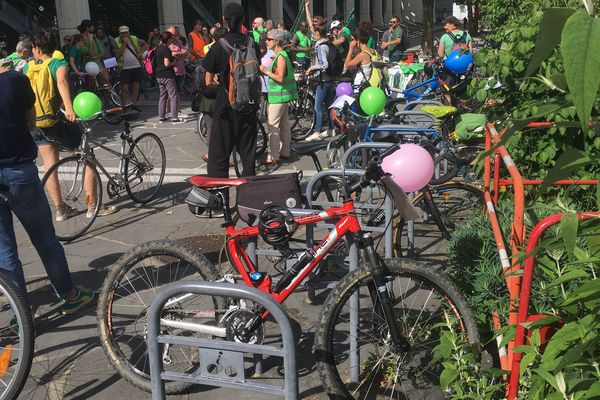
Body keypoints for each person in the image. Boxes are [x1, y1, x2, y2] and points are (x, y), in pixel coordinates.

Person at [0, 59, 95, 313]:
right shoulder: (14, 81)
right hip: (18, 169)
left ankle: (21, 314)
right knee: (44, 238)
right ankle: (69, 294)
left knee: (4, 249)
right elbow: (31, 121)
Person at [23, 34, 116, 223]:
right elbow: (62, 82)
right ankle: (93, 206)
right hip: (56, 120)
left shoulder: (28, 67)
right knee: (87, 156)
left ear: (37, 49)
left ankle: (61, 209)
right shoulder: (58, 63)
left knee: (50, 165)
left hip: (36, 122)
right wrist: (70, 109)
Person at [202, 2, 261, 178]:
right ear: (243, 20)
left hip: (225, 108)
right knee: (248, 158)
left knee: (218, 159)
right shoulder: (253, 44)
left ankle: (221, 200)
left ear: (224, 20)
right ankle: (247, 200)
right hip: (248, 107)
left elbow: (206, 80)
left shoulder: (219, 46)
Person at [260, 29, 298, 166]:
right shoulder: (282, 54)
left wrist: (266, 71)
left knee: (273, 127)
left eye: (269, 39)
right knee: (284, 125)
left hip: (278, 97)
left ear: (277, 42)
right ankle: (285, 152)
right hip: (283, 95)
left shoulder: (281, 56)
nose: (266, 41)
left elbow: (280, 78)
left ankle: (273, 156)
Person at [304, 23, 336, 141]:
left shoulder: (321, 46)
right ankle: (331, 129)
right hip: (330, 78)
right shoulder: (329, 44)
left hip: (323, 80)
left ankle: (317, 132)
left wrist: (311, 68)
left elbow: (324, 64)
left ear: (318, 34)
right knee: (328, 106)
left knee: (317, 107)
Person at [198, 26, 226, 163]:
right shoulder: (219, 51)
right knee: (219, 129)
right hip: (214, 97)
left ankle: (213, 155)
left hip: (210, 98)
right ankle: (217, 156)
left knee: (214, 129)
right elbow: (208, 81)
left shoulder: (212, 50)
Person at [114, 26, 144, 111]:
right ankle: (123, 106)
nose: (125, 34)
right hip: (124, 68)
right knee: (125, 88)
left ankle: (134, 104)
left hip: (136, 65)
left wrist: (140, 53)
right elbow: (118, 54)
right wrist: (123, 44)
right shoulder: (116, 41)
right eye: (123, 33)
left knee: (135, 86)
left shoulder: (134, 38)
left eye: (126, 32)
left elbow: (144, 44)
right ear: (120, 33)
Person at [344, 25, 379, 91]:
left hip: (360, 87)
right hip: (371, 85)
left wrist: (351, 48)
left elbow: (347, 65)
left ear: (358, 41)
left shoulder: (363, 55)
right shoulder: (374, 51)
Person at [156, 31, 180, 123]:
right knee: (173, 96)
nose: (172, 39)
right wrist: (174, 63)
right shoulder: (166, 50)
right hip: (167, 75)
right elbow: (166, 64)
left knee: (163, 95)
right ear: (169, 39)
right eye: (171, 38)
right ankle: (174, 117)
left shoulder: (158, 48)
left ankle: (162, 116)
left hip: (159, 75)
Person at [167, 25, 188, 119]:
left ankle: (177, 110)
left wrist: (177, 54)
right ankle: (168, 111)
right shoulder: (165, 42)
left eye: (175, 34)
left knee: (178, 92)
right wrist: (180, 53)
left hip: (180, 70)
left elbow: (185, 52)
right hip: (171, 71)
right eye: (172, 34)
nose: (174, 36)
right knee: (170, 93)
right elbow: (170, 54)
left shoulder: (178, 41)